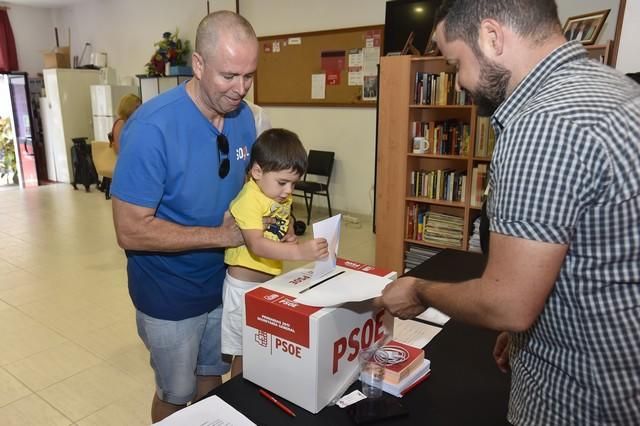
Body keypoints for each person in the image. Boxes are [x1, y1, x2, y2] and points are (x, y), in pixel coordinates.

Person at [374, 1, 640, 424]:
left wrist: (419, 290)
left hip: (578, 401)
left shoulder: (544, 124)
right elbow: (595, 259)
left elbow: (508, 303)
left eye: (456, 62)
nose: (458, 81)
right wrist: (527, 336)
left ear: (492, 37)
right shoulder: (614, 89)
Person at [110, 11, 260, 422]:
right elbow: (130, 229)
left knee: (212, 379)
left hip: (224, 282)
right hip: (169, 294)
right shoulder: (152, 128)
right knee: (175, 395)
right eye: (229, 75)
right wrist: (221, 236)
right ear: (197, 65)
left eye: (249, 76)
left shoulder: (244, 116)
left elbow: (248, 183)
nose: (240, 89)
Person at [222, 128, 329, 377]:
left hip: (267, 285)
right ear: (257, 171)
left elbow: (284, 220)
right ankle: (239, 397)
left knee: (260, 346)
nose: (289, 190)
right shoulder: (249, 199)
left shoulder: (279, 195)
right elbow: (256, 244)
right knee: (244, 351)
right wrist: (300, 252)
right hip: (242, 288)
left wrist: (289, 232)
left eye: (293, 183)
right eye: (283, 182)